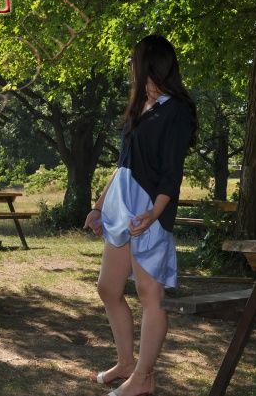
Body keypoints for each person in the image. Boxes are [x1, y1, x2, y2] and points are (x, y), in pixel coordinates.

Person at [83, 34, 197, 396]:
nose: (131, 66)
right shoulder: (138, 107)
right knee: (108, 288)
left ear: (151, 63)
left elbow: (172, 171)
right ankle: (126, 364)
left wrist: (154, 212)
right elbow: (122, 166)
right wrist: (99, 206)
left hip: (149, 211)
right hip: (120, 209)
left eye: (135, 60)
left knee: (150, 294)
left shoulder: (177, 109)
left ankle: (143, 378)